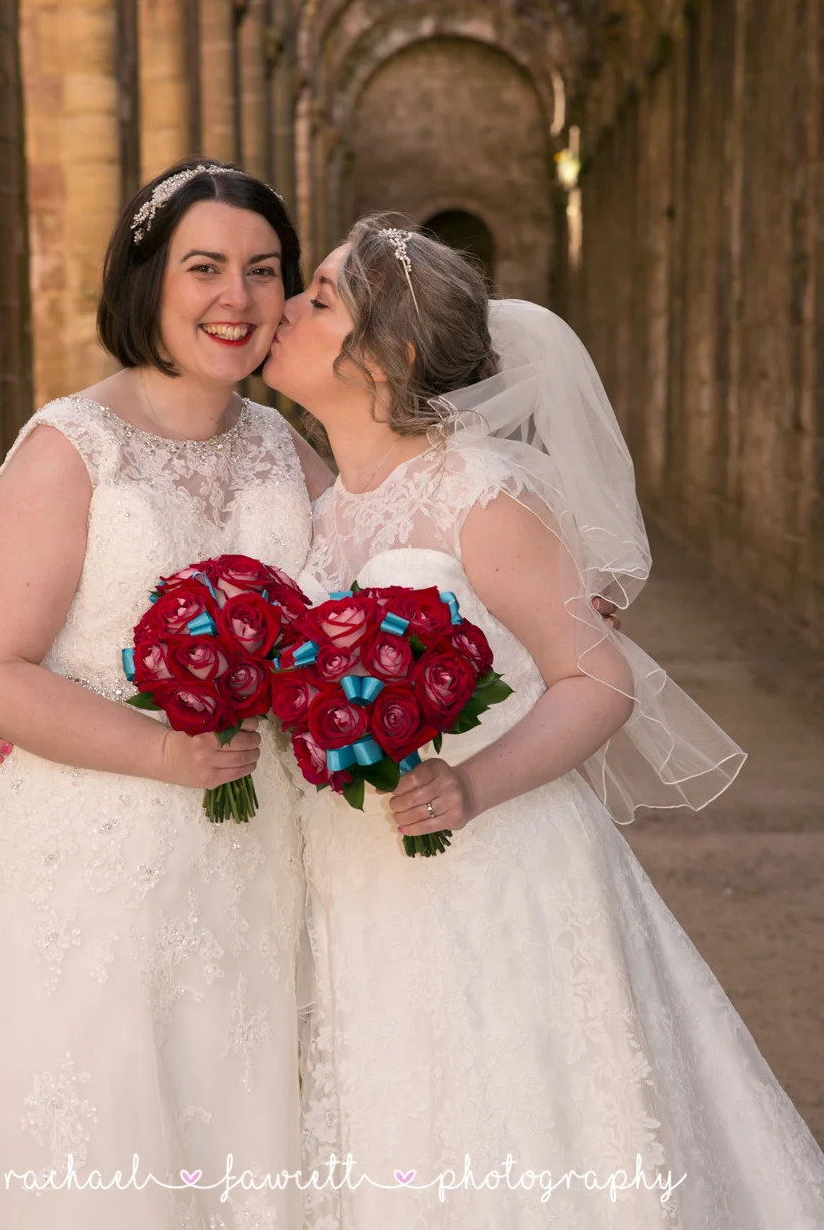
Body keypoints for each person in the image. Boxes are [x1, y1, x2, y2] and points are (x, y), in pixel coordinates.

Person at [260, 215, 824, 1229]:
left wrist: (469, 783)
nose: (287, 308)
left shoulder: (480, 493)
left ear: (386, 356)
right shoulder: (317, 505)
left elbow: (596, 676)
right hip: (357, 875)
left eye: (319, 296)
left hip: (495, 869)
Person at [0, 162, 332, 1230]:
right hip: (94, 851)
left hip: (255, 851)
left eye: (263, 270)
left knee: (237, 1113)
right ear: (147, 279)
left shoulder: (282, 445)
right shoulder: (71, 445)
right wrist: (159, 752)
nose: (237, 297)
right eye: (204, 267)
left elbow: (366, 591)